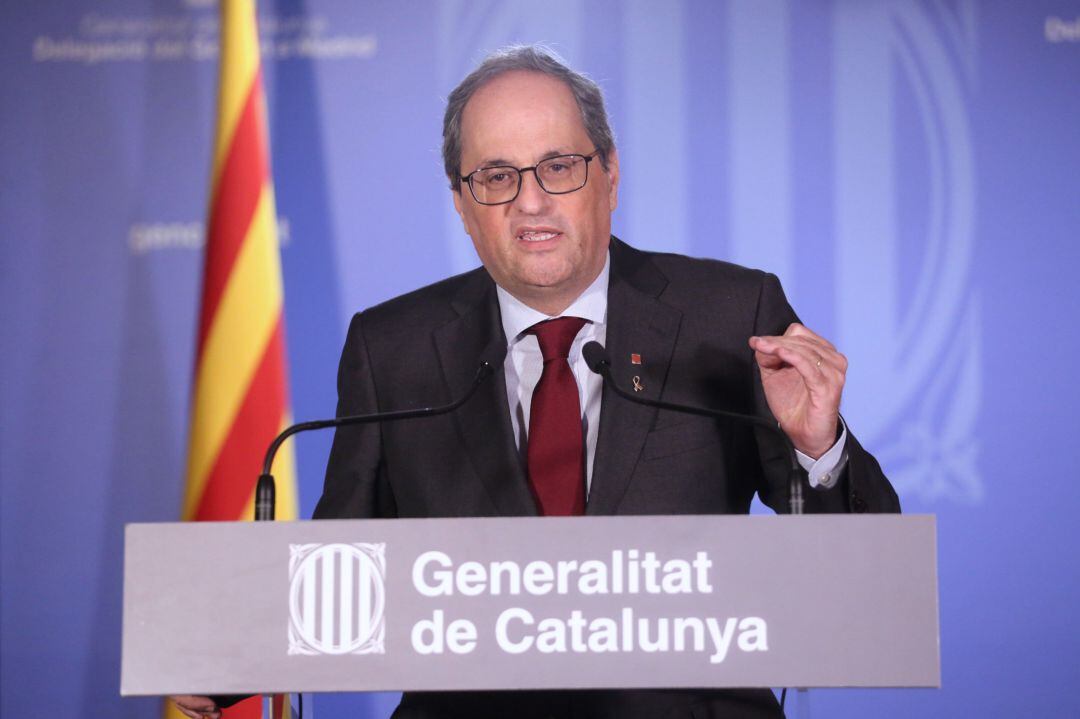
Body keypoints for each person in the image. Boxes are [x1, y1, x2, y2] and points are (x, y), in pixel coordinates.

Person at [173, 44, 898, 719]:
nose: (530, 201)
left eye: (558, 166)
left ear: (610, 175)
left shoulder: (727, 317)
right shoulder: (392, 348)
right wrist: (225, 653)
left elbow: (864, 576)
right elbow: (341, 568)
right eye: (496, 175)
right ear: (461, 203)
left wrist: (819, 444)